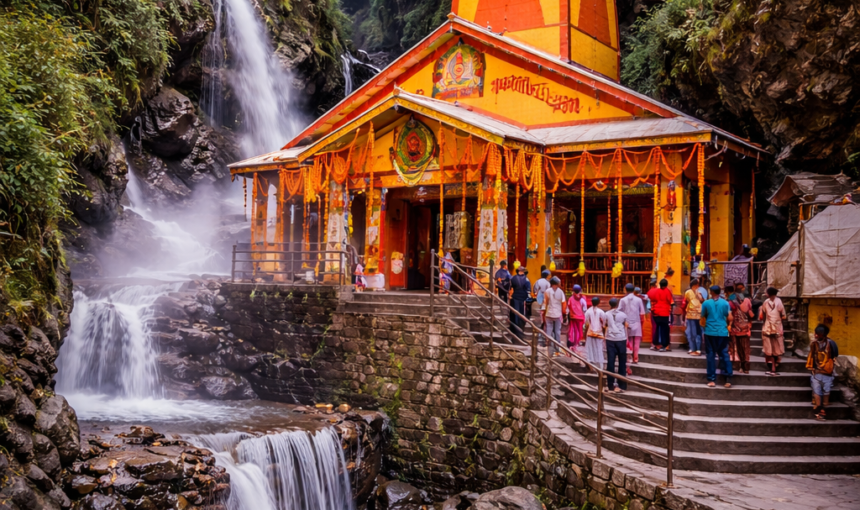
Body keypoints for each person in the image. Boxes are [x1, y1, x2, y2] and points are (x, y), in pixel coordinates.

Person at [701, 285, 733, 388]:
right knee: (724, 354)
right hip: (723, 332)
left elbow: (702, 317)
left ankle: (711, 380)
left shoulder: (706, 303)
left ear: (711, 292)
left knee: (710, 355)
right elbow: (730, 317)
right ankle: (727, 379)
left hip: (710, 332)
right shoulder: (725, 303)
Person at [807, 324, 839, 421]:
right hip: (816, 372)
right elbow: (811, 356)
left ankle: (823, 409)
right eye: (816, 334)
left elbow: (835, 355)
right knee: (817, 390)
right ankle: (819, 410)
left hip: (827, 373)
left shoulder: (831, 344)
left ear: (824, 335)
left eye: (818, 334)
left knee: (826, 391)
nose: (816, 336)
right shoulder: (814, 344)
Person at [759, 286, 787, 376]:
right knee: (770, 349)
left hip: (775, 328)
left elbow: (783, 316)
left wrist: (776, 321)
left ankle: (773, 368)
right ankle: (773, 368)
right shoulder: (767, 302)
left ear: (769, 293)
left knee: (774, 349)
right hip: (769, 328)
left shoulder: (777, 302)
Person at [605, 298, 629, 393]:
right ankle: (622, 384)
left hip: (610, 339)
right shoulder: (623, 314)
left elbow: (604, 325)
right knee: (622, 362)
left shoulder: (606, 314)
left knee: (610, 362)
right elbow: (626, 325)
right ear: (617, 304)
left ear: (609, 304)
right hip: (621, 338)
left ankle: (610, 384)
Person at [619, 283, 645, 365]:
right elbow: (642, 313)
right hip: (637, 322)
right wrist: (641, 323)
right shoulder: (639, 300)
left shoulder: (623, 300)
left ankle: (628, 358)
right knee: (636, 341)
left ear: (625, 290)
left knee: (628, 341)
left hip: (626, 322)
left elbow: (620, 312)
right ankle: (635, 358)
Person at [729, 289, 754, 373]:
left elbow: (730, 317)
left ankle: (740, 366)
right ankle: (745, 367)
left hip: (736, 329)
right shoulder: (747, 302)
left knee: (737, 348)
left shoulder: (732, 305)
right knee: (745, 348)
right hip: (745, 329)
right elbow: (751, 315)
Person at [541, 277, 567, 357]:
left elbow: (545, 303)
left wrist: (544, 313)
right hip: (557, 314)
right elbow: (563, 304)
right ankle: (557, 347)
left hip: (549, 313)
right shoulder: (560, 292)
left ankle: (548, 345)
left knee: (549, 329)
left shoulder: (547, 291)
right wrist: (564, 314)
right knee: (557, 331)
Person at [647, 278, 674, 352]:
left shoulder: (656, 291)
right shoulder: (667, 291)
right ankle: (664, 345)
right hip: (665, 313)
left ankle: (656, 344)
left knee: (657, 328)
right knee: (664, 329)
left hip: (656, 312)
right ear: (666, 285)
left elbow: (649, 296)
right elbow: (671, 301)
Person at [682, 279, 704, 356]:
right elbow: (686, 302)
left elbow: (702, 300)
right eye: (697, 285)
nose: (698, 286)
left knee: (698, 332)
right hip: (691, 314)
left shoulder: (699, 292)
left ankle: (698, 349)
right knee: (691, 332)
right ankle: (692, 348)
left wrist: (698, 294)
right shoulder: (688, 292)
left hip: (699, 314)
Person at [584, 296, 607, 368]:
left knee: (590, 349)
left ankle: (590, 365)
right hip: (599, 333)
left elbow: (586, 323)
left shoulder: (588, 311)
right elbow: (604, 324)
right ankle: (600, 366)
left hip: (590, 333)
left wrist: (585, 332)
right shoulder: (601, 312)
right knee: (599, 349)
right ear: (598, 303)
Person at [509, 265, 531, 340]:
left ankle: (515, 328)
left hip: (515, 297)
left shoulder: (513, 278)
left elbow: (511, 288)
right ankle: (520, 329)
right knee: (522, 314)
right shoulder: (526, 279)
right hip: (523, 298)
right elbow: (528, 290)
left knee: (515, 314)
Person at [567, 284, 587, 350]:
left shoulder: (570, 298)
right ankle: (579, 343)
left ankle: (574, 343)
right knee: (580, 330)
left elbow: (568, 307)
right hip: (580, 317)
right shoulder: (582, 299)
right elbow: (585, 309)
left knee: (574, 330)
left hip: (573, 317)